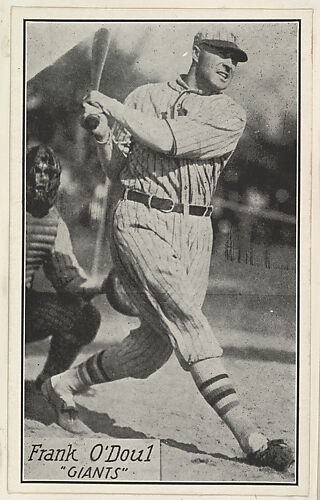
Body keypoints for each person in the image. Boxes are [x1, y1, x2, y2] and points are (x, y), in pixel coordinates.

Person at [41, 26, 294, 471]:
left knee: (151, 353)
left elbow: (167, 139)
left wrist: (111, 107)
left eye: (236, 57)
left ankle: (62, 383)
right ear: (196, 51)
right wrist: (102, 133)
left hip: (195, 230)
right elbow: (119, 170)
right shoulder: (144, 96)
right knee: (190, 324)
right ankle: (251, 437)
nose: (230, 63)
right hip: (139, 218)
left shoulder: (229, 114)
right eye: (221, 52)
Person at [25, 144, 107, 393]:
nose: (41, 181)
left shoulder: (54, 223)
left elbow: (67, 277)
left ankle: (51, 380)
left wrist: (101, 285)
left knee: (84, 316)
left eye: (47, 175)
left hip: (21, 310)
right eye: (36, 173)